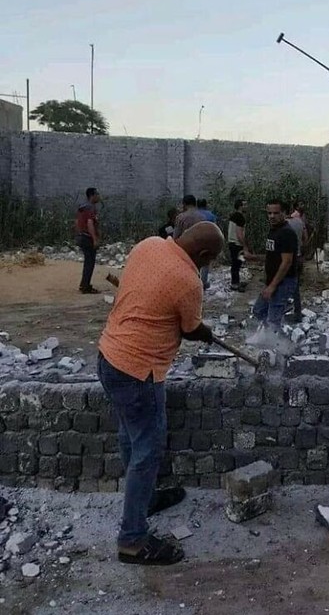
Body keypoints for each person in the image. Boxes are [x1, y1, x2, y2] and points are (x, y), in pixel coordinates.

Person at [97, 222, 224, 566]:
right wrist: (205, 332)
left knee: (129, 435)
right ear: (201, 255)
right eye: (210, 260)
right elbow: (190, 328)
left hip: (108, 356)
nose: (207, 266)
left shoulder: (148, 244)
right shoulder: (188, 280)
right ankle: (133, 540)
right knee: (147, 451)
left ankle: (146, 499)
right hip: (138, 372)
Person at [252, 199, 298, 330]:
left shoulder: (286, 233)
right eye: (269, 213)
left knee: (273, 319)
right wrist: (255, 257)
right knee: (259, 310)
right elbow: (273, 256)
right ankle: (270, 336)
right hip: (273, 281)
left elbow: (287, 262)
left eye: (276, 213)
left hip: (283, 282)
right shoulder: (274, 230)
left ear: (284, 213)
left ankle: (276, 346)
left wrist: (272, 286)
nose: (272, 216)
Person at [75, 187, 101, 294]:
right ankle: (85, 286)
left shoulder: (82, 207)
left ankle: (84, 284)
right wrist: (94, 239)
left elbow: (77, 222)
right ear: (92, 196)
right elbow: (90, 224)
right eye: (97, 194)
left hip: (81, 236)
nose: (98, 196)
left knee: (87, 262)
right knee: (90, 263)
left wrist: (78, 233)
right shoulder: (90, 208)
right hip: (87, 238)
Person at [287, 207, 307, 323]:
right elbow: (306, 239)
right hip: (298, 257)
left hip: (286, 258)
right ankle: (297, 313)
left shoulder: (286, 224)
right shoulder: (301, 223)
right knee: (295, 287)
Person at [228, 199, 248, 292]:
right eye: (244, 204)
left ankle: (236, 282)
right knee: (237, 264)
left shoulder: (233, 215)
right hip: (237, 244)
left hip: (232, 243)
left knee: (236, 263)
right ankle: (235, 284)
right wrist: (245, 245)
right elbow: (239, 234)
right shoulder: (240, 217)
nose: (246, 206)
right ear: (240, 206)